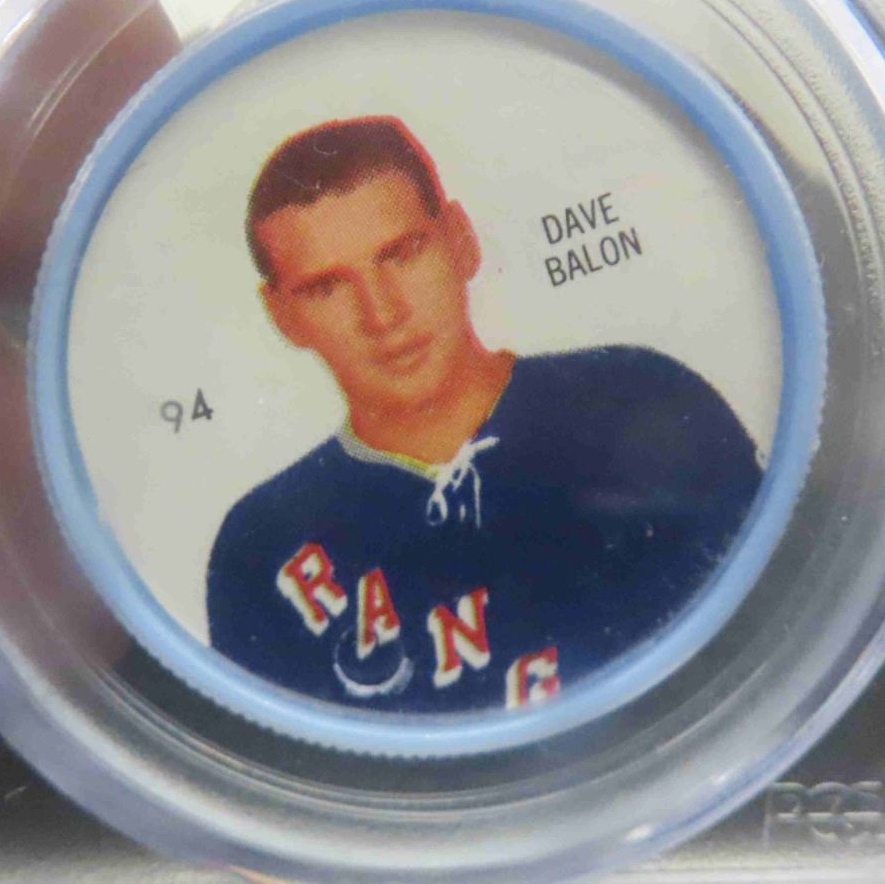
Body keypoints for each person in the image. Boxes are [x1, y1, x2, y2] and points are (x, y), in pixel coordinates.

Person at [207, 116, 763, 713]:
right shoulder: (261, 549)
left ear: (461, 241)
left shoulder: (644, 402)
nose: (382, 314)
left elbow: (774, 646)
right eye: (327, 289)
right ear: (283, 316)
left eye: (403, 254)